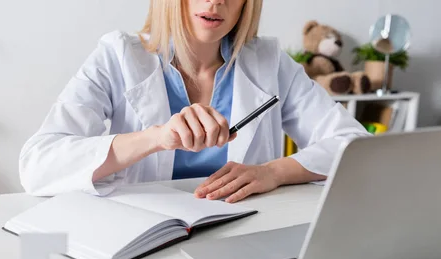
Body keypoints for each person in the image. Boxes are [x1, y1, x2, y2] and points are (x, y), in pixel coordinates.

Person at [19, 0, 369, 203]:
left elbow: (355, 146)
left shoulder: (269, 61)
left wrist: (273, 172)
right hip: (148, 244)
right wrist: (156, 138)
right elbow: (38, 165)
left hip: (243, 235)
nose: (216, 1)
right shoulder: (117, 55)